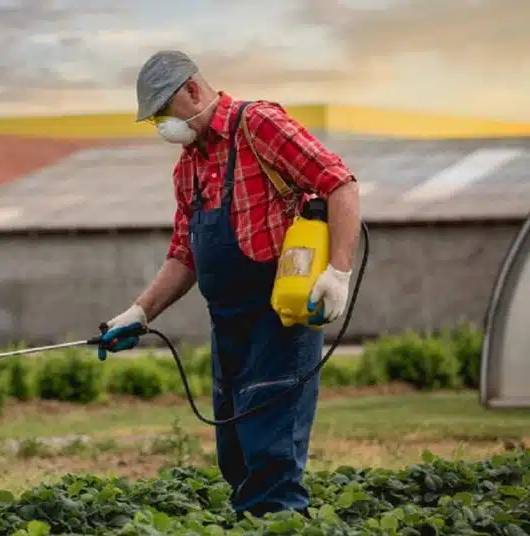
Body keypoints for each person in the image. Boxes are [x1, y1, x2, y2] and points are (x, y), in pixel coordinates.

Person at [98, 50, 362, 518]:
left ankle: (282, 525)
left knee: (271, 461)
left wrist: (337, 272)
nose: (162, 126)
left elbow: (339, 184)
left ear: (193, 91)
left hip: (279, 321)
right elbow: (184, 254)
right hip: (229, 329)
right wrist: (139, 313)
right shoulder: (189, 166)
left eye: (163, 111)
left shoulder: (257, 125)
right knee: (237, 457)